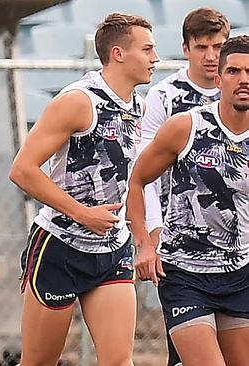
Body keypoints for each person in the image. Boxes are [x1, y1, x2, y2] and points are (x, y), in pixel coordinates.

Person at [9, 13, 159, 366]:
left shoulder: (139, 106)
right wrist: (81, 213)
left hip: (111, 250)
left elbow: (136, 181)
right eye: (148, 49)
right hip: (60, 246)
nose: (156, 58)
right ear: (119, 53)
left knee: (120, 361)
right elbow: (22, 170)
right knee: (38, 362)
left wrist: (143, 238)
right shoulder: (79, 101)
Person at [128, 35, 249, 366]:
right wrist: (144, 244)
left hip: (239, 274)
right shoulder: (186, 127)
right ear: (218, 77)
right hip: (184, 274)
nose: (244, 80)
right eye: (235, 71)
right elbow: (137, 180)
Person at [140, 8, 229, 365]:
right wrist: (153, 230)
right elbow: (142, 173)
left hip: (235, 245)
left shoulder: (240, 91)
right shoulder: (165, 97)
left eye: (218, 47)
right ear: (186, 48)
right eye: (202, 46)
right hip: (183, 245)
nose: (211, 56)